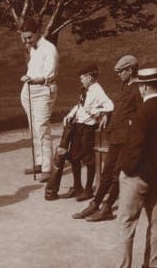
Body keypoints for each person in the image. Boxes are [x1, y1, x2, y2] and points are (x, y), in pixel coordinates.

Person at [95, 66, 157, 268]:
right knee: (156, 220)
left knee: (126, 222)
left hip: (138, 174)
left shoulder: (141, 114)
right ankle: (152, 266)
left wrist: (125, 170)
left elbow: (135, 148)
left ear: (143, 87)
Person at [76, 54, 142, 222]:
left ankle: (107, 207)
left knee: (116, 174)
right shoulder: (125, 86)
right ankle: (95, 203)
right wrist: (106, 113)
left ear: (130, 70)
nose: (118, 74)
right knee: (107, 172)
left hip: (127, 139)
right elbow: (118, 108)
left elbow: (141, 115)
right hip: (116, 137)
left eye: (121, 71)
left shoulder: (138, 88)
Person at [45, 66, 114, 201]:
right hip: (78, 126)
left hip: (88, 129)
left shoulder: (98, 90)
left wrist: (101, 112)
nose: (81, 80)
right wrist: (70, 114)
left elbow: (110, 105)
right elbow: (80, 106)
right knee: (73, 157)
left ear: (89, 77)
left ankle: (88, 190)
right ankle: (78, 188)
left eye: (82, 78)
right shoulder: (86, 90)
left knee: (88, 159)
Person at [19, 17, 58, 180]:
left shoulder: (49, 49)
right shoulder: (33, 48)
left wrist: (34, 80)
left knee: (42, 128)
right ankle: (40, 162)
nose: (27, 41)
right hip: (29, 91)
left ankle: (48, 168)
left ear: (38, 33)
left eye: (30, 37)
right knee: (33, 128)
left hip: (43, 91)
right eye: (24, 38)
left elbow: (49, 75)